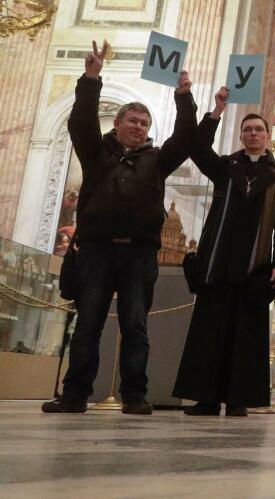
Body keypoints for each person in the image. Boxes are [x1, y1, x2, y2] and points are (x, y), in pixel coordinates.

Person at [43, 40, 196, 415]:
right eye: (133, 121)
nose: (139, 128)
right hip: (96, 250)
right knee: (87, 326)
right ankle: (75, 394)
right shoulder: (96, 153)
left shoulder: (157, 160)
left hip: (140, 253)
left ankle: (134, 395)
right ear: (118, 123)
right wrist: (91, 78)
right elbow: (79, 122)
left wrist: (184, 96)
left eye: (144, 124)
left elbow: (187, 138)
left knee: (136, 328)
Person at [173, 87, 275, 417]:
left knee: (246, 334)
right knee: (209, 332)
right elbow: (197, 147)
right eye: (248, 129)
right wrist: (216, 111)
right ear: (241, 135)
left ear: (268, 136)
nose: (253, 134)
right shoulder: (225, 167)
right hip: (217, 259)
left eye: (259, 129)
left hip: (254, 265)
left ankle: (238, 399)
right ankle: (206, 399)